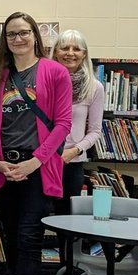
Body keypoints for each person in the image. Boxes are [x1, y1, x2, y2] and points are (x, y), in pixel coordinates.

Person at [0, 12, 72, 275]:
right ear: (4, 40)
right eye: (11, 34)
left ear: (35, 35)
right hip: (4, 169)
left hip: (37, 169)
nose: (18, 38)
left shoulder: (55, 71)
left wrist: (36, 161)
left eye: (23, 32)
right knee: (10, 237)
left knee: (28, 238)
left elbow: (63, 124)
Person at [50, 29, 104, 216]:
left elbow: (95, 131)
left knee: (66, 218)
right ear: (56, 51)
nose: (70, 53)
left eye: (76, 49)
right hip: (41, 159)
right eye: (64, 48)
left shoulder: (94, 87)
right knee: (36, 215)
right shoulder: (44, 82)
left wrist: (73, 151)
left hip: (72, 162)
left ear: (84, 54)